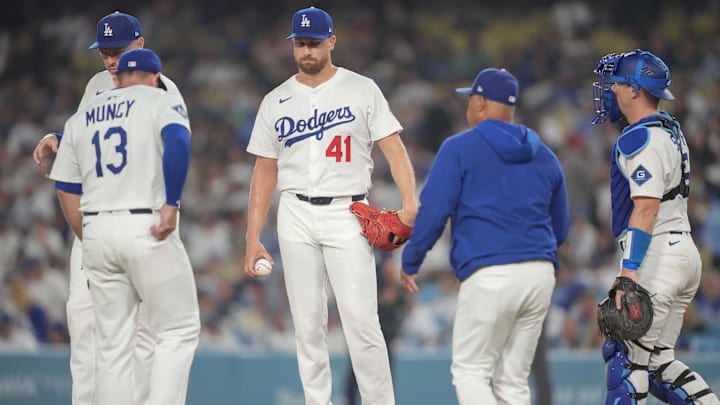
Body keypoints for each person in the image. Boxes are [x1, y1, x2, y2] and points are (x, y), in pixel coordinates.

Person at [244, 6, 418, 404]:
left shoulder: (361, 88)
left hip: (348, 211)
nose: (306, 50)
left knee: (362, 322)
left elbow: (394, 147)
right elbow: (264, 172)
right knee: (307, 326)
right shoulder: (276, 100)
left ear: (331, 42)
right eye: (300, 43)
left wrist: (411, 202)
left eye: (313, 43)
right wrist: (252, 237)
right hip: (294, 212)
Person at [31, 11, 184, 404]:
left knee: (145, 333)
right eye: (105, 53)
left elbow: (155, 142)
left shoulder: (160, 88)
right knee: (84, 326)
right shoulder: (97, 84)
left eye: (118, 51)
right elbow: (91, 137)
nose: (112, 60)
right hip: (94, 221)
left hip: (143, 219)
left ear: (140, 44)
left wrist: (170, 206)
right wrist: (60, 137)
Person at [400, 68, 570, 405]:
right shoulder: (545, 155)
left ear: (479, 102)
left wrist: (411, 259)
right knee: (514, 382)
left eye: (470, 99)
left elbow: (433, 212)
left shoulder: (459, 148)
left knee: (470, 372)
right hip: (539, 274)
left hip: (490, 273)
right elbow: (561, 228)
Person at [591, 49, 720, 404]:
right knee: (657, 367)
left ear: (635, 89)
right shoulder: (670, 130)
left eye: (617, 82)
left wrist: (629, 270)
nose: (611, 90)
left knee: (625, 367)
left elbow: (645, 208)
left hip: (657, 256)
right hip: (682, 252)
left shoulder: (640, 138)